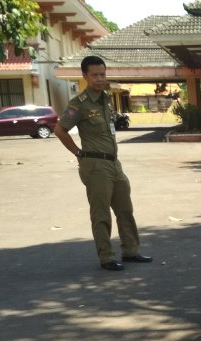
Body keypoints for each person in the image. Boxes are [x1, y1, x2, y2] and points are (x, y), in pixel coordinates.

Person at [54, 56, 152, 271]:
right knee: (101, 213)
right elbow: (60, 130)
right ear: (85, 76)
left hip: (114, 163)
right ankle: (106, 257)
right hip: (95, 165)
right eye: (95, 75)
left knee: (125, 209)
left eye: (103, 74)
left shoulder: (106, 99)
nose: (100, 79)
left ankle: (131, 251)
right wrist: (78, 152)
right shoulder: (78, 104)